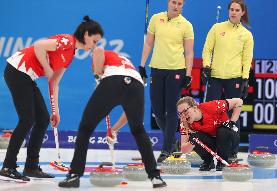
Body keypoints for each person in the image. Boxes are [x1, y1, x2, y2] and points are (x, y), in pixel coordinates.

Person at [0, 16, 104, 182]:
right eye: (94, 40)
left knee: (42, 119)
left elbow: (54, 82)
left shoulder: (70, 54)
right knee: (26, 119)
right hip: (17, 71)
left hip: (26, 76)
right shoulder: (66, 41)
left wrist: (56, 112)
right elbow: (39, 46)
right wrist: (47, 67)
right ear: (85, 35)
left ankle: (31, 166)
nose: (95, 46)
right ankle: (8, 166)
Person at [58, 48, 167, 188]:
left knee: (85, 128)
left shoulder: (106, 55)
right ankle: (155, 177)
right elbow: (128, 114)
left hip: (113, 81)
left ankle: (74, 175)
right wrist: (114, 129)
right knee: (138, 129)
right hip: (137, 84)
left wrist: (97, 75)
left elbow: (97, 50)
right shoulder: (125, 62)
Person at [139, 0, 194, 162]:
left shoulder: (186, 25)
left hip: (176, 70)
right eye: (173, 2)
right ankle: (173, 142)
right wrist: (142, 64)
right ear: (168, 3)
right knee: (157, 111)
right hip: (156, 69)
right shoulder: (156, 18)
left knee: (171, 110)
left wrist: (188, 74)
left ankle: (167, 148)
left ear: (182, 6)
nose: (176, 6)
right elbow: (148, 43)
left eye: (179, 4)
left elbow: (189, 52)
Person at [201, 0, 254, 158]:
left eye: (237, 10)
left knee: (233, 116)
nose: (234, 12)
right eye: (231, 9)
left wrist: (245, 79)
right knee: (210, 115)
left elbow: (246, 59)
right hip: (215, 78)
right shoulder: (217, 28)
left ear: (242, 12)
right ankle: (208, 153)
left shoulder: (246, 35)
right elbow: (207, 49)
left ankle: (232, 152)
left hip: (235, 79)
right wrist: (206, 67)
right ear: (228, 10)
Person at [177, 96, 243, 171]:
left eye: (185, 111)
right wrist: (192, 142)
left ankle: (225, 159)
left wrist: (232, 122)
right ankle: (208, 161)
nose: (183, 116)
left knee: (222, 131)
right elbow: (184, 149)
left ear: (194, 107)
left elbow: (238, 101)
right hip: (211, 141)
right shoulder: (184, 123)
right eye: (180, 113)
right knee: (195, 137)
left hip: (227, 137)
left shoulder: (212, 106)